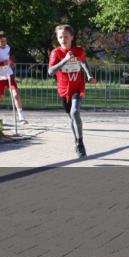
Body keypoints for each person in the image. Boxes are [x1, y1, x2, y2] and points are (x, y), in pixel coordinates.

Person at [48, 24, 96, 158]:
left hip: (78, 87)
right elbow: (50, 71)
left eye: (66, 37)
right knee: (72, 116)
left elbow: (83, 63)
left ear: (72, 37)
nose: (63, 39)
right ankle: (76, 141)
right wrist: (64, 60)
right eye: (60, 37)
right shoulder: (56, 53)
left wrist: (89, 75)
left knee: (75, 112)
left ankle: (80, 143)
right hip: (64, 90)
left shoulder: (79, 50)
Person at [0, 30, 27, 124]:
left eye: (5, 41)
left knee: (16, 94)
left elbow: (9, 57)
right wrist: (1, 63)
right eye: (2, 41)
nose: (4, 43)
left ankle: (21, 117)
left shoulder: (8, 47)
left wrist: (11, 62)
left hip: (9, 75)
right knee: (0, 97)